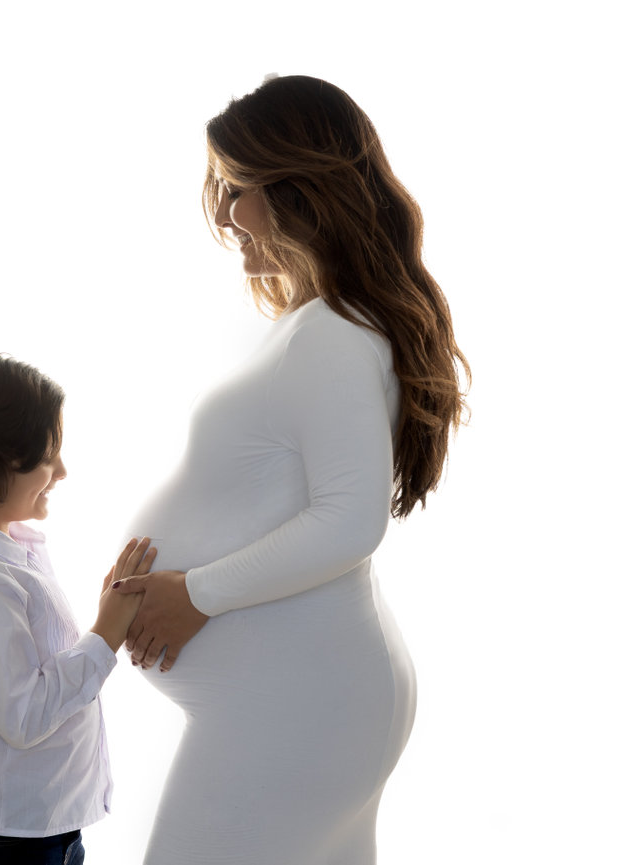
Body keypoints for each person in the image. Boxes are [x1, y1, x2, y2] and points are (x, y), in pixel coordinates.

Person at [111, 75, 470, 864]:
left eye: (238, 189)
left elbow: (351, 520)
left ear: (300, 189)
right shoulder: (319, 324)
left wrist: (192, 593)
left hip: (298, 709)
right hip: (299, 703)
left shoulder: (335, 335)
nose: (223, 215)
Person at [0, 351, 156, 865]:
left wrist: (110, 617)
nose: (61, 470)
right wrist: (104, 633)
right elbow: (23, 714)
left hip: (39, 832)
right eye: (46, 457)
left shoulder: (11, 554)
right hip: (0, 843)